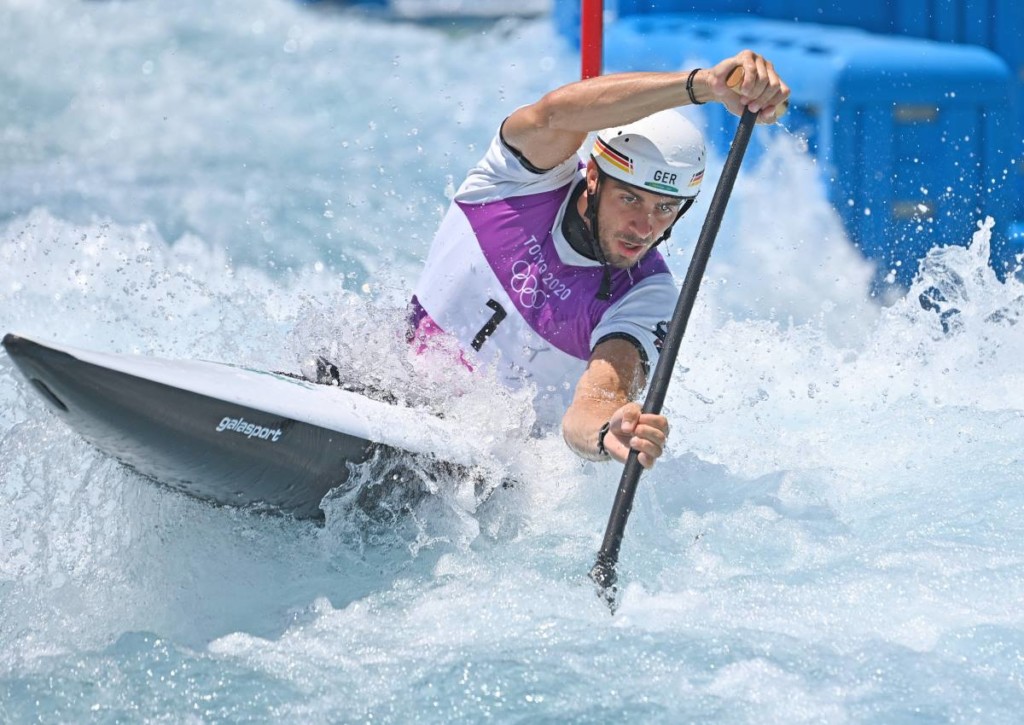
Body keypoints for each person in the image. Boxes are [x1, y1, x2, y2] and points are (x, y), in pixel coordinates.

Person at [408, 50, 789, 470]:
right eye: (630, 199)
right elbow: (555, 115)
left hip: (481, 467)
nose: (645, 227)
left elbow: (597, 397)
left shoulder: (648, 296)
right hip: (392, 382)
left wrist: (610, 430)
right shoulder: (516, 182)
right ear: (593, 176)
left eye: (665, 208)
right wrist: (704, 86)